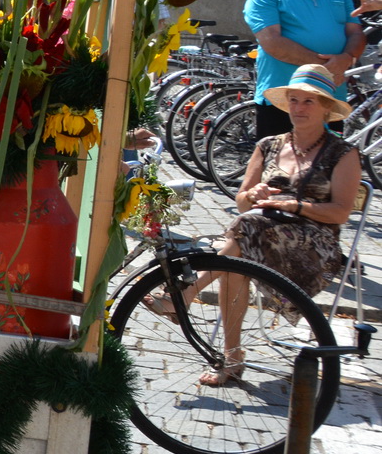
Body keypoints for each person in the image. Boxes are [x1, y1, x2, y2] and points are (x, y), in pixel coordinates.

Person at [147, 65, 360, 386]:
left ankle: (186, 294)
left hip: (314, 249)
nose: (299, 108)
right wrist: (254, 194)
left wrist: (294, 205)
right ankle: (232, 358)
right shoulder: (269, 145)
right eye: (294, 99)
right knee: (236, 257)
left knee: (242, 236)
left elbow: (340, 213)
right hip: (259, 237)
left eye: (309, 101)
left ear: (327, 108)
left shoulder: (343, 153)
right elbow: (243, 202)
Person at [243, 0, 363, 139]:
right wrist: (328, 68)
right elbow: (273, 43)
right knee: (279, 159)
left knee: (328, 159)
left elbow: (356, 33)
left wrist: (347, 58)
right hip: (284, 102)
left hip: (329, 99)